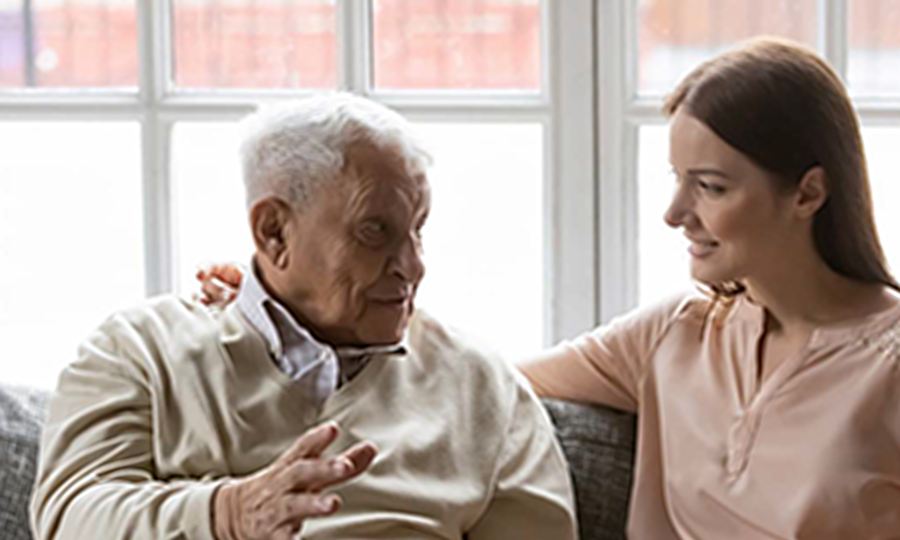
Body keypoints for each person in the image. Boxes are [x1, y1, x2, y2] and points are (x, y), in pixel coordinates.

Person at [196, 39, 900, 539]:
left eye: (710, 186)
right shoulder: (674, 334)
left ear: (808, 192)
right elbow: (470, 379)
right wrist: (283, 290)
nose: (675, 214)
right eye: (676, 180)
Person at [31, 94, 578, 540]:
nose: (413, 266)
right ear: (273, 232)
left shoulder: (483, 388)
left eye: (418, 229)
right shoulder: (137, 350)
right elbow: (68, 516)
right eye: (375, 231)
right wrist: (228, 513)